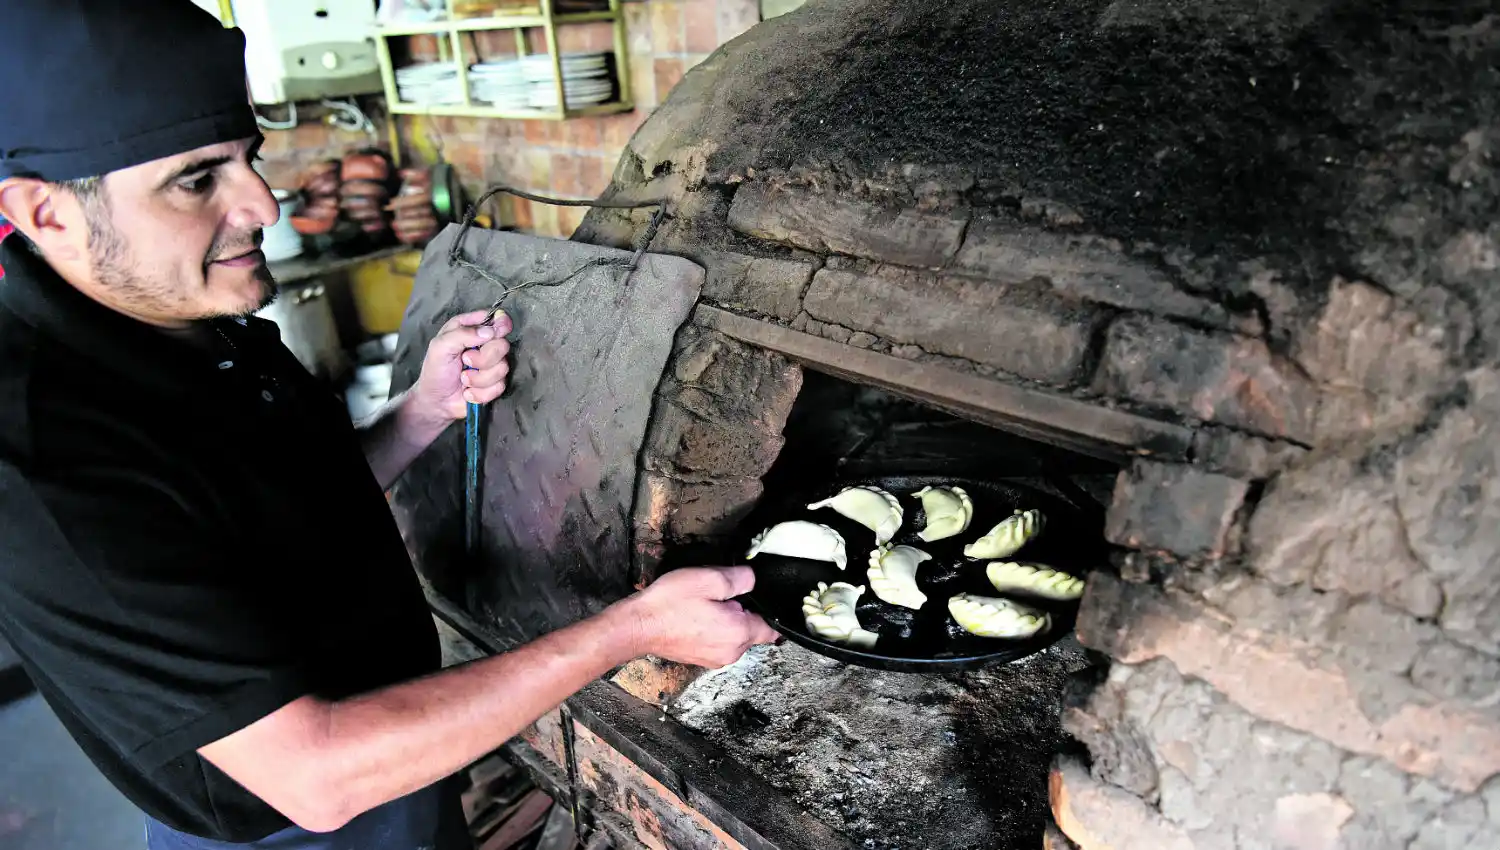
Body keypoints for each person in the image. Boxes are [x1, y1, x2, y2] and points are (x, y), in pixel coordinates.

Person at [0, 3, 777, 849]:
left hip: (404, 750)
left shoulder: (193, 319)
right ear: (48, 214)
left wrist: (421, 412)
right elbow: (316, 774)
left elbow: (279, 512)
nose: (263, 205)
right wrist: (632, 629)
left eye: (249, 158)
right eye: (196, 180)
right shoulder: (45, 462)